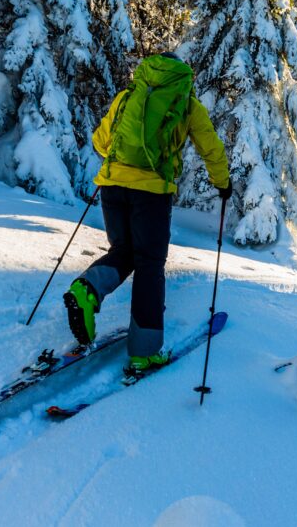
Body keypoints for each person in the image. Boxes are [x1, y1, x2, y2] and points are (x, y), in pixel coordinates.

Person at [64, 52, 231, 379]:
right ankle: (144, 353)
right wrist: (223, 183)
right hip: (152, 192)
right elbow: (211, 147)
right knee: (149, 264)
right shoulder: (186, 103)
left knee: (123, 252)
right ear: (183, 76)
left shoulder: (129, 96)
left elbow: (101, 142)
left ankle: (87, 288)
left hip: (112, 186)